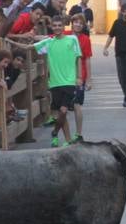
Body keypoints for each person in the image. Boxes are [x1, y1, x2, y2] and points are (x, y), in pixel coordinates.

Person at [34, 18, 83, 147]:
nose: (57, 27)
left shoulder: (72, 39)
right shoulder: (49, 42)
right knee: (61, 114)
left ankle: (55, 131)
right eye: (54, 25)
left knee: (63, 110)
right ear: (51, 27)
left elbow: (78, 57)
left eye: (59, 25)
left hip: (69, 81)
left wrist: (79, 77)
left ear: (63, 27)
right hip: (55, 83)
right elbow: (29, 47)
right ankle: (66, 140)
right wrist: (9, 40)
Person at [69, 13, 93, 143]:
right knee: (63, 106)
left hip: (80, 76)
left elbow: (87, 59)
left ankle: (78, 133)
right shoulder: (65, 35)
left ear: (83, 26)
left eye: (80, 23)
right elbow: (49, 38)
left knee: (77, 104)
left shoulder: (85, 39)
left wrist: (89, 79)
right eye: (75, 22)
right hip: (65, 76)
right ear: (72, 23)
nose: (77, 25)